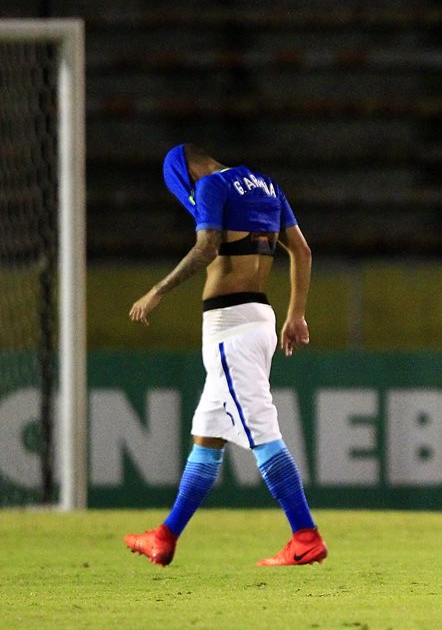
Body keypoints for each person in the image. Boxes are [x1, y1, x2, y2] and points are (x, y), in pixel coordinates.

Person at [124, 143, 326, 567]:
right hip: (259, 318)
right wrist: (296, 316)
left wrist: (156, 292)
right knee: (209, 435)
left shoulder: (213, 186)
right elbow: (302, 251)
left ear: (185, 173)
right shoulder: (267, 185)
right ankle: (165, 536)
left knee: (263, 433)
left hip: (229, 328)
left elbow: (207, 247)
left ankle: (305, 535)